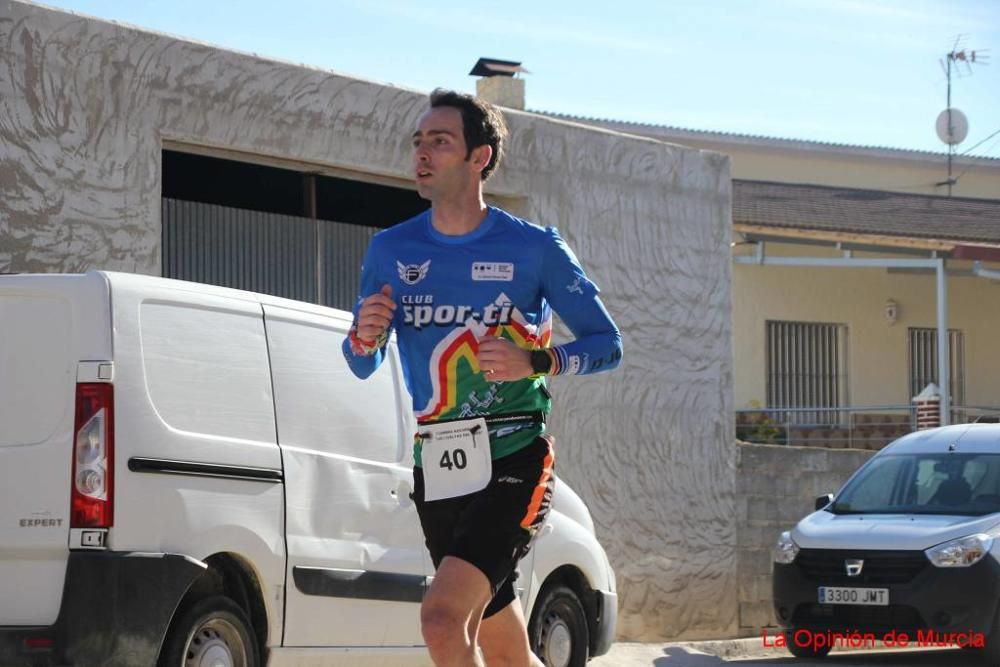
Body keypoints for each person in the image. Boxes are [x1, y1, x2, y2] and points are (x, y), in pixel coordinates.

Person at [342, 88, 622, 667]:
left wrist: (538, 361)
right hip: (438, 461)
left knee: (442, 619)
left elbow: (607, 344)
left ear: (480, 157)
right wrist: (364, 335)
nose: (422, 153)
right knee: (499, 637)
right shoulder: (390, 249)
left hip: (515, 455)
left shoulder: (534, 248)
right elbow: (361, 360)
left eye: (440, 142)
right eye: (418, 142)